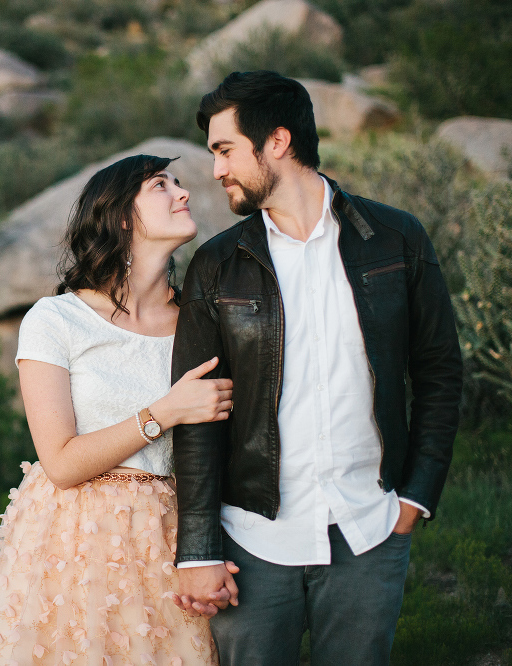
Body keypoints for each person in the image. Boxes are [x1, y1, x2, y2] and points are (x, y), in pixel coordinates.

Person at [170, 71, 463, 666]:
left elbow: (439, 371)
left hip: (371, 527)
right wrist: (197, 550)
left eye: (225, 150)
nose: (217, 170)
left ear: (277, 142)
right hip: (253, 538)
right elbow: (196, 414)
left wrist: (418, 494)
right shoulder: (217, 265)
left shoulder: (396, 238)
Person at [0, 154, 236, 665]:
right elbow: (61, 463)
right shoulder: (57, 319)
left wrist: (214, 546)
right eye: (161, 185)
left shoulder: (201, 322)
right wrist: (164, 412)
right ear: (121, 217)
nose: (184, 193)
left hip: (173, 534)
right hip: (70, 541)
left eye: (179, 184)